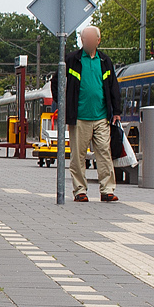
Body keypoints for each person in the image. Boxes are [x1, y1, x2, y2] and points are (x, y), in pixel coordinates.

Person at [51, 25, 121, 203]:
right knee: (78, 155)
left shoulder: (105, 61)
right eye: (84, 39)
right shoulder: (72, 59)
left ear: (98, 41)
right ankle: (80, 190)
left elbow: (113, 87)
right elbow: (56, 80)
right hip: (79, 117)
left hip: (102, 116)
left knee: (104, 153)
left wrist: (117, 111)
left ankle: (107, 189)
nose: (87, 42)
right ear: (82, 41)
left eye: (90, 39)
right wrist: (62, 103)